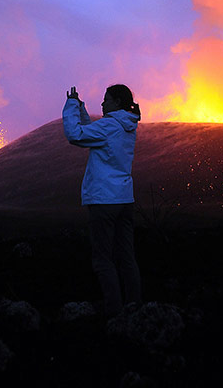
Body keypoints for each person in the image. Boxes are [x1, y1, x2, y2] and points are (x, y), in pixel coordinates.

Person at [62, 84, 142, 318]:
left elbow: (75, 135)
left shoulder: (110, 125)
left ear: (117, 101)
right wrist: (81, 108)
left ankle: (114, 314)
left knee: (103, 259)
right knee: (127, 257)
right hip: (125, 199)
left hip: (104, 201)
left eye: (106, 99)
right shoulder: (126, 126)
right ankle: (135, 309)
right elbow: (94, 132)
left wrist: (70, 106)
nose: (103, 103)